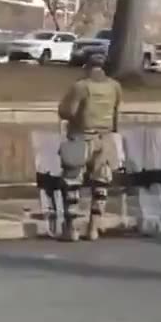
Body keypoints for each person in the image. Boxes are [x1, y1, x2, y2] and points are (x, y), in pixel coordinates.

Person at [56, 51, 123, 242]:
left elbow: (67, 111)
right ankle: (94, 228)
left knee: (71, 183)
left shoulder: (81, 86)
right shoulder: (115, 87)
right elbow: (117, 112)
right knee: (101, 184)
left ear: (87, 66)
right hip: (105, 139)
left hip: (81, 137)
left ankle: (72, 229)